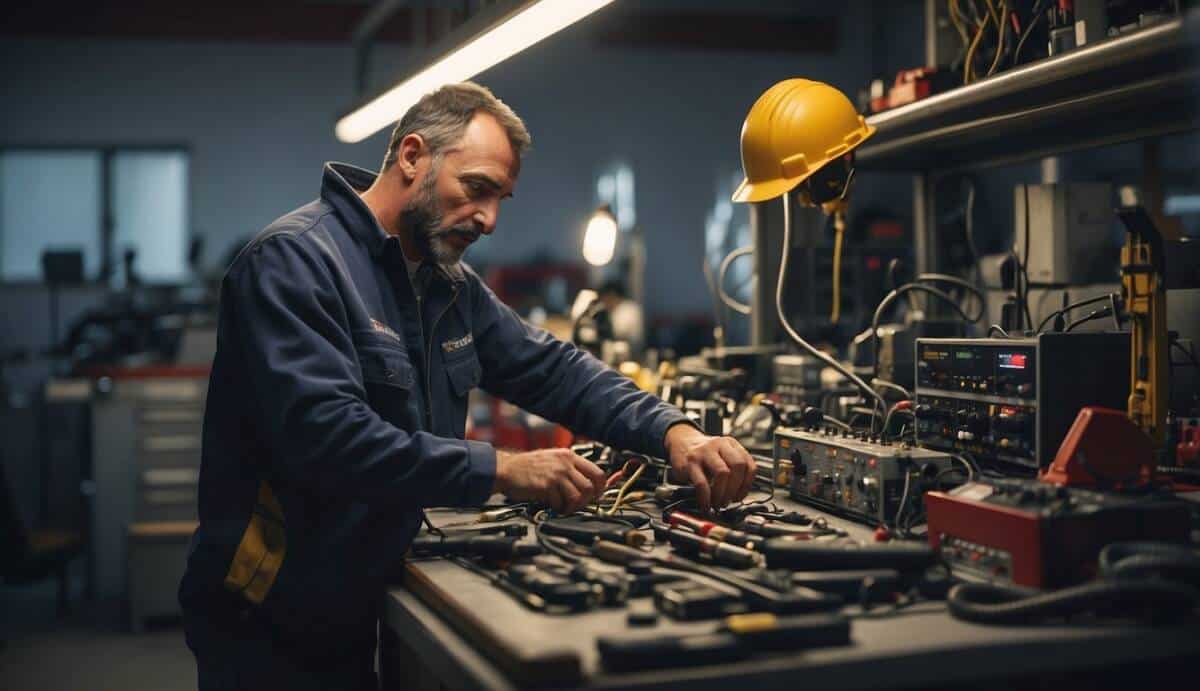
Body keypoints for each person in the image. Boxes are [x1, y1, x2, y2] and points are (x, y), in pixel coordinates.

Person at [179, 82, 756, 690]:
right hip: (273, 608)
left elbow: (552, 368)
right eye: (477, 189)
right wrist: (503, 469)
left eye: (501, 198)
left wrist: (672, 429)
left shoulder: (444, 281)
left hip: (368, 584)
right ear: (411, 157)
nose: (488, 219)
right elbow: (328, 440)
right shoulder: (294, 263)